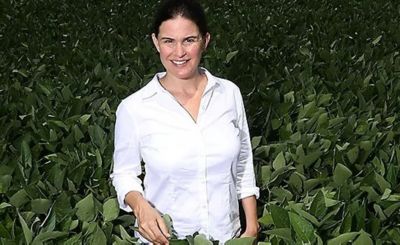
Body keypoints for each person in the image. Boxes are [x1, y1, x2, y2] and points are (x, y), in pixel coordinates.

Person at [111, 0, 259, 244]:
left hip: (226, 236)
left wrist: (251, 227)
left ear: (205, 40)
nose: (179, 52)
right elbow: (124, 174)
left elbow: (243, 161)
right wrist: (140, 207)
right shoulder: (135, 108)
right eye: (168, 41)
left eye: (189, 40)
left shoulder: (228, 94)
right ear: (156, 42)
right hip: (167, 238)